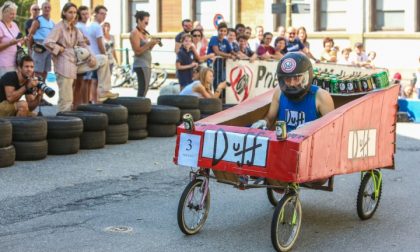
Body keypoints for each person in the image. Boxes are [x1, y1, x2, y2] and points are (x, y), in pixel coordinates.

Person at [45, 2, 115, 112]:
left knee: (103, 59)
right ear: (64, 13)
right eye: (70, 12)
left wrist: (91, 57)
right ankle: (64, 124)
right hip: (64, 67)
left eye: (74, 12)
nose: (73, 15)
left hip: (76, 63)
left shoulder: (75, 29)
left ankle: (103, 91)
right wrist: (60, 49)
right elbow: (47, 42)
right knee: (67, 100)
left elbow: (83, 44)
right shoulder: (59, 27)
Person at [251, 52, 334, 132]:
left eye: (297, 78)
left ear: (307, 76)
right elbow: (270, 119)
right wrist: (263, 123)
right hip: (283, 143)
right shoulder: (279, 92)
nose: (292, 83)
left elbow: (332, 129)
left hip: (310, 144)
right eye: (287, 78)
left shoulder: (321, 96)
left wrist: (313, 128)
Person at [85, 5, 118, 102]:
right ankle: (97, 101)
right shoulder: (97, 27)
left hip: (92, 57)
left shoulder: (90, 26)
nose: (104, 16)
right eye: (101, 13)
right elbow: (100, 45)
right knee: (97, 82)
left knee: (94, 81)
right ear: (95, 14)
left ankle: (94, 100)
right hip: (98, 57)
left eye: (105, 14)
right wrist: (105, 57)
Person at [130, 10, 160, 97]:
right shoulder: (135, 32)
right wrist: (149, 43)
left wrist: (153, 44)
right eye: (145, 22)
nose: (147, 24)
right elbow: (137, 51)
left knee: (146, 88)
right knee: (142, 89)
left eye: (147, 22)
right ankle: (138, 109)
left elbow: (147, 49)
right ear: (139, 20)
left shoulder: (144, 32)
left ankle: (140, 107)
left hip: (146, 64)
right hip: (140, 64)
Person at [27, 1, 54, 81]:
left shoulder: (52, 22)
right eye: (45, 7)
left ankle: (41, 91)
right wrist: (30, 49)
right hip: (39, 48)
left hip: (49, 49)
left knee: (45, 72)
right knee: (37, 72)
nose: (47, 9)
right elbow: (30, 35)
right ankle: (35, 91)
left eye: (48, 7)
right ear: (41, 9)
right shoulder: (38, 20)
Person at [0, 1, 27, 77]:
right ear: (4, 13)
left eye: (15, 13)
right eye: (11, 14)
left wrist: (23, 40)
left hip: (16, 62)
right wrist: (10, 43)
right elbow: (11, 43)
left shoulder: (14, 24)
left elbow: (17, 43)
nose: (14, 16)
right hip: (4, 65)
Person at [207, 22, 234, 89]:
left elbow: (231, 51)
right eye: (221, 30)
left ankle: (220, 96)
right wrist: (229, 56)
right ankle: (214, 96)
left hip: (221, 65)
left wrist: (237, 55)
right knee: (214, 80)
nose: (222, 33)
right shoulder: (214, 38)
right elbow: (217, 52)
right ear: (218, 30)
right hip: (213, 64)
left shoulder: (225, 41)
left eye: (224, 31)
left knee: (221, 80)